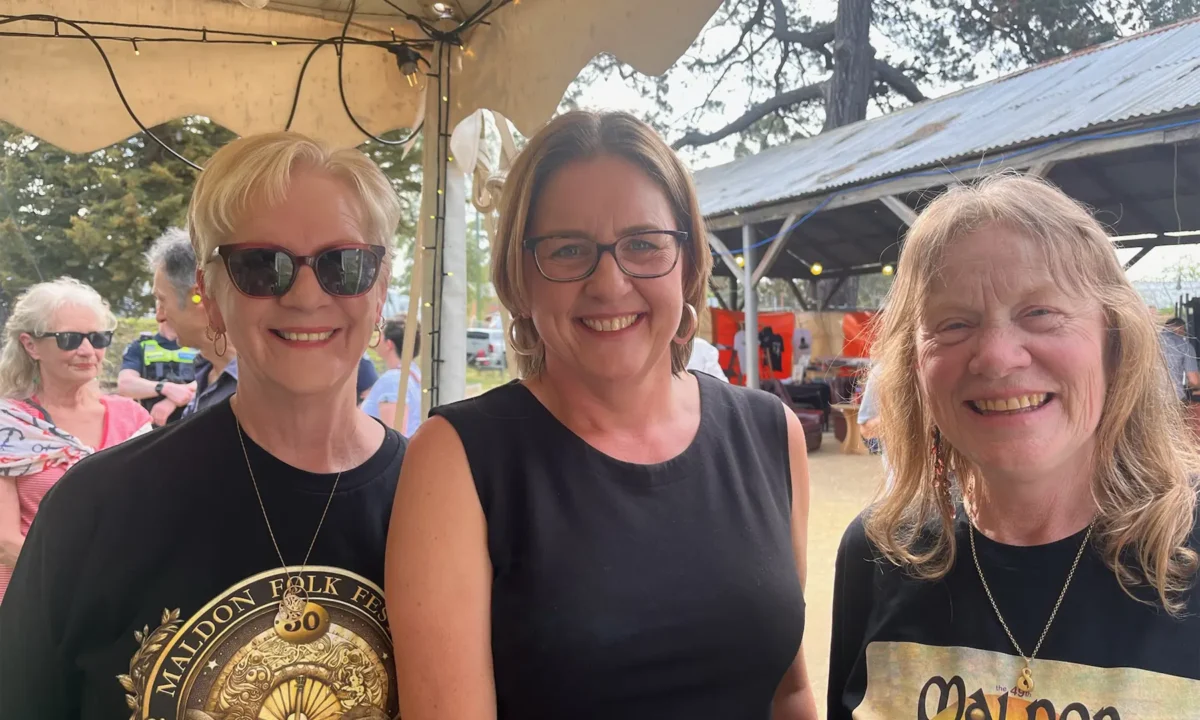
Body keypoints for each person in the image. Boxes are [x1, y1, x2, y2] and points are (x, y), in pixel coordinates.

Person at [387, 111, 817, 719]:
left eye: (644, 243)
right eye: (569, 250)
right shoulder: (458, 458)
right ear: (520, 278)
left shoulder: (770, 433)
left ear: (688, 263)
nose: (610, 284)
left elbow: (790, 693)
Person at [0, 132, 408, 719]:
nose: (306, 294)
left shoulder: (438, 507)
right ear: (211, 297)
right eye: (262, 266)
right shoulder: (96, 508)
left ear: (379, 289)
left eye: (344, 264)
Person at [828, 174, 1200, 720]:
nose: (998, 357)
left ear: (1114, 341)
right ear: (914, 366)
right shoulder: (878, 553)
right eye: (954, 324)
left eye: (1040, 313)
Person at [0, 278, 151, 603]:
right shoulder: (7, 425)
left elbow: (150, 517)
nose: (87, 351)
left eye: (97, 338)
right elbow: (5, 540)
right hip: (32, 607)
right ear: (30, 345)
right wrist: (85, 584)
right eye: (69, 339)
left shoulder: (133, 421)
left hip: (120, 605)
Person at [143, 227, 239, 418]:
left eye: (162, 301)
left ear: (199, 296)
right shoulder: (207, 372)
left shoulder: (268, 388)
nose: (159, 317)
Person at [116, 319, 198, 426]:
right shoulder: (141, 346)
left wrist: (172, 402)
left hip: (194, 423)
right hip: (151, 427)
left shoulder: (201, 345)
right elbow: (125, 384)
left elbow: (215, 379)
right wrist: (165, 388)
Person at [362, 317, 424, 436]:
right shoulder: (413, 373)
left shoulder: (393, 380)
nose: (377, 340)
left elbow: (394, 434)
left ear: (389, 344)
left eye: (381, 336)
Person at [1159, 315, 1199, 401]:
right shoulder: (1185, 346)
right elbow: (1194, 380)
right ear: (1181, 330)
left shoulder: (1148, 344)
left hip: (1147, 400)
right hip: (1172, 399)